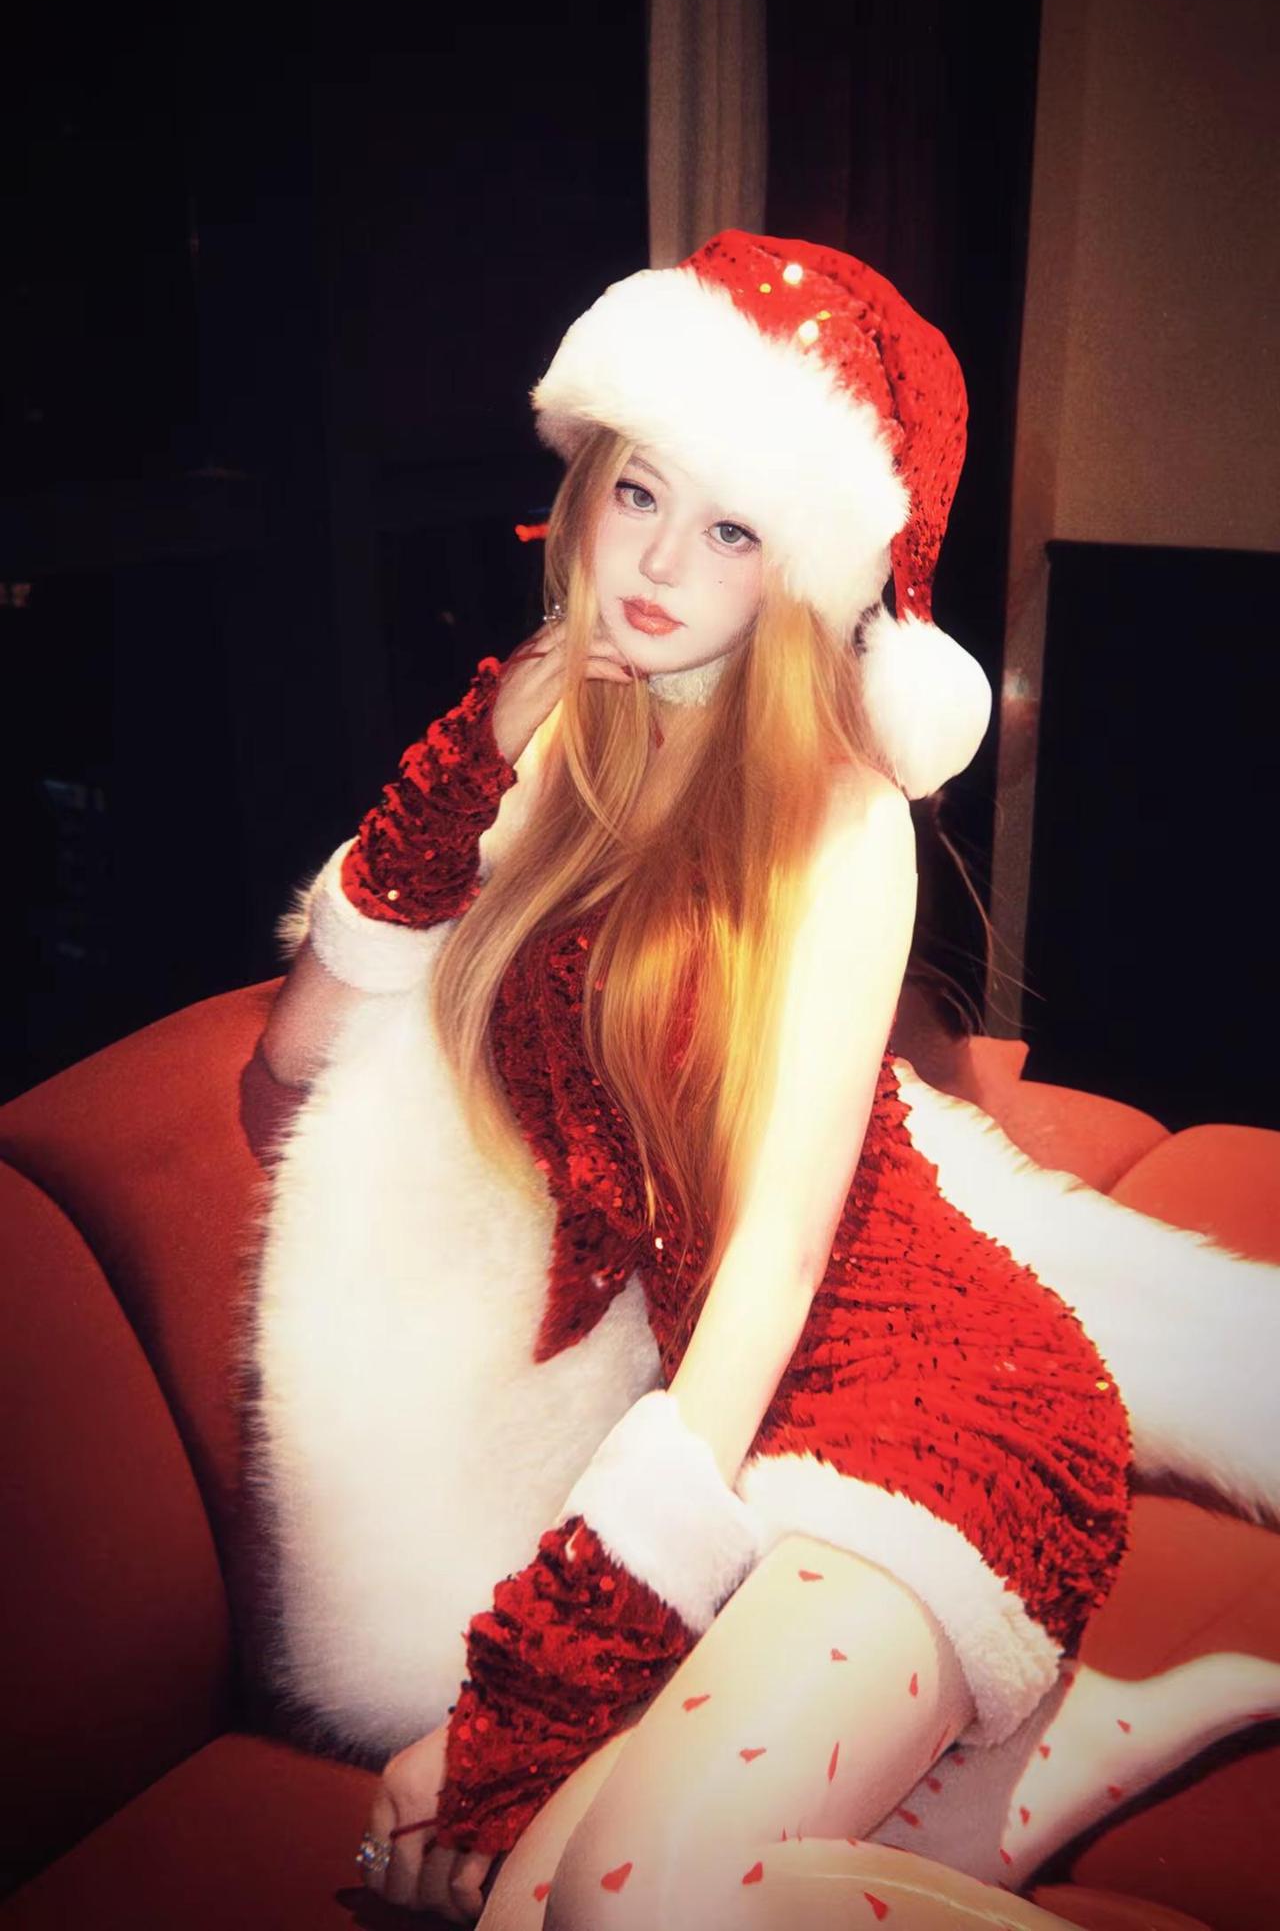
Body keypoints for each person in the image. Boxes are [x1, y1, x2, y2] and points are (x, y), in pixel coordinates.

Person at [242, 232, 1280, 1928]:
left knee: (616, 1906)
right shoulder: (544, 744)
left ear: (799, 565)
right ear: (586, 484)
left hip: (924, 1394)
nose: (659, 563)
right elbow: (294, 1059)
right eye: (641, 491)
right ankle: (1055, 1755)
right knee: (524, 1911)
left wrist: (540, 1681)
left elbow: (783, 1261)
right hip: (731, 1421)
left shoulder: (841, 812)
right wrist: (479, 744)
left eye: (733, 528)